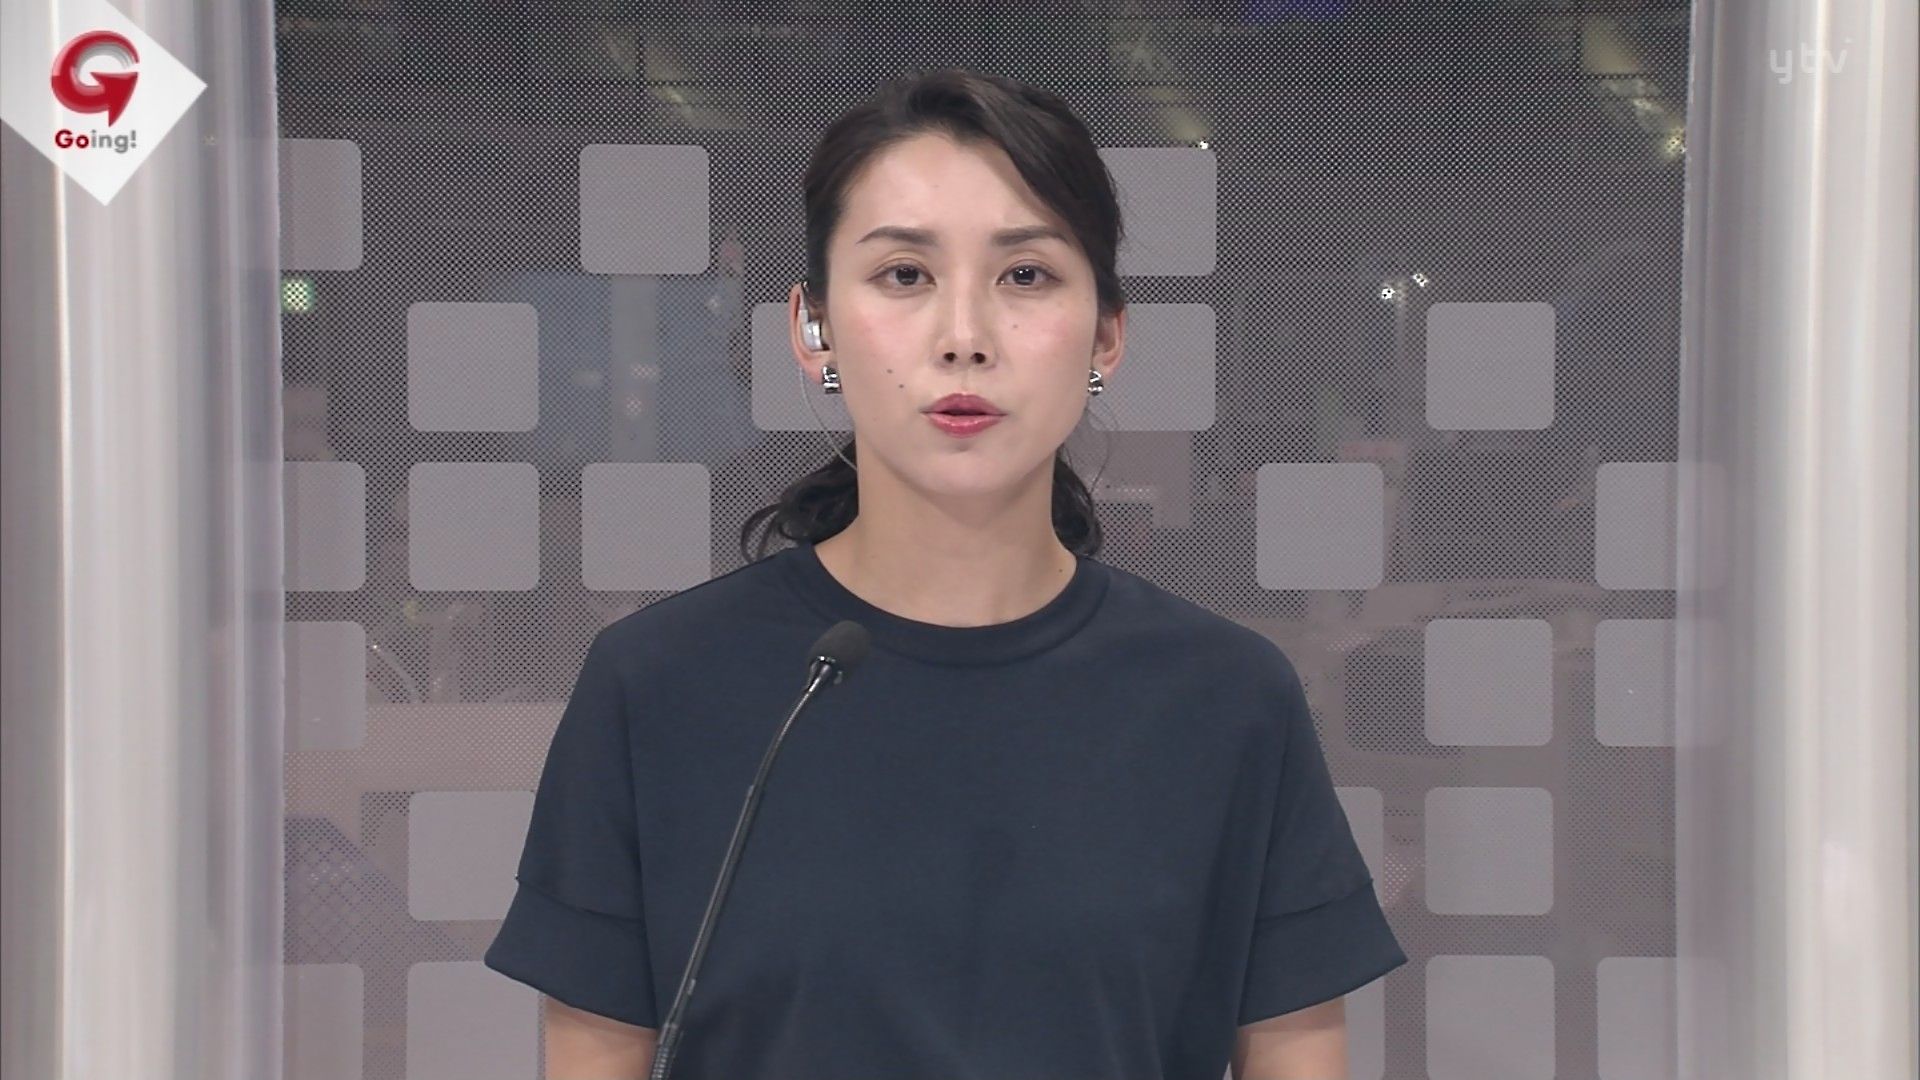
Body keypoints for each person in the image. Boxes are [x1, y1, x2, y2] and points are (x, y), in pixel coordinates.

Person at [484, 66, 1406, 1080]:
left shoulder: (1228, 702)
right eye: (904, 276)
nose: (964, 338)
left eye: (1026, 276)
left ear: (1106, 335)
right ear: (812, 330)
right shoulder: (657, 688)